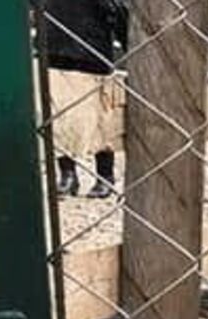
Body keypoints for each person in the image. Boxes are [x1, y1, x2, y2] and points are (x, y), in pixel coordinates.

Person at [42, 0, 127, 197]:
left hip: (93, 50)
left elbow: (117, 9)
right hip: (56, 47)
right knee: (60, 115)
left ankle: (104, 176)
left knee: (101, 115)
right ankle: (68, 174)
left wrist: (128, 43)